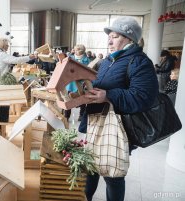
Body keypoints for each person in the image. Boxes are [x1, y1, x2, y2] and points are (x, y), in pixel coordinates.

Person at [79, 16, 159, 201]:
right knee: (90, 168)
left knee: (112, 174)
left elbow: (143, 97)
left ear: (129, 39)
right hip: (96, 122)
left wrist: (108, 95)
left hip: (118, 127)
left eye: (114, 36)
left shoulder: (139, 62)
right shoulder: (109, 60)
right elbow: (102, 84)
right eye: (110, 36)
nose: (109, 40)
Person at [64, 44, 90, 121]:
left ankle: (81, 115)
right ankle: (66, 116)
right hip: (69, 83)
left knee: (82, 99)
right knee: (68, 99)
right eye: (75, 49)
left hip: (81, 82)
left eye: (76, 50)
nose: (75, 51)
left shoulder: (87, 60)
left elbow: (88, 72)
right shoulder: (70, 58)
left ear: (81, 51)